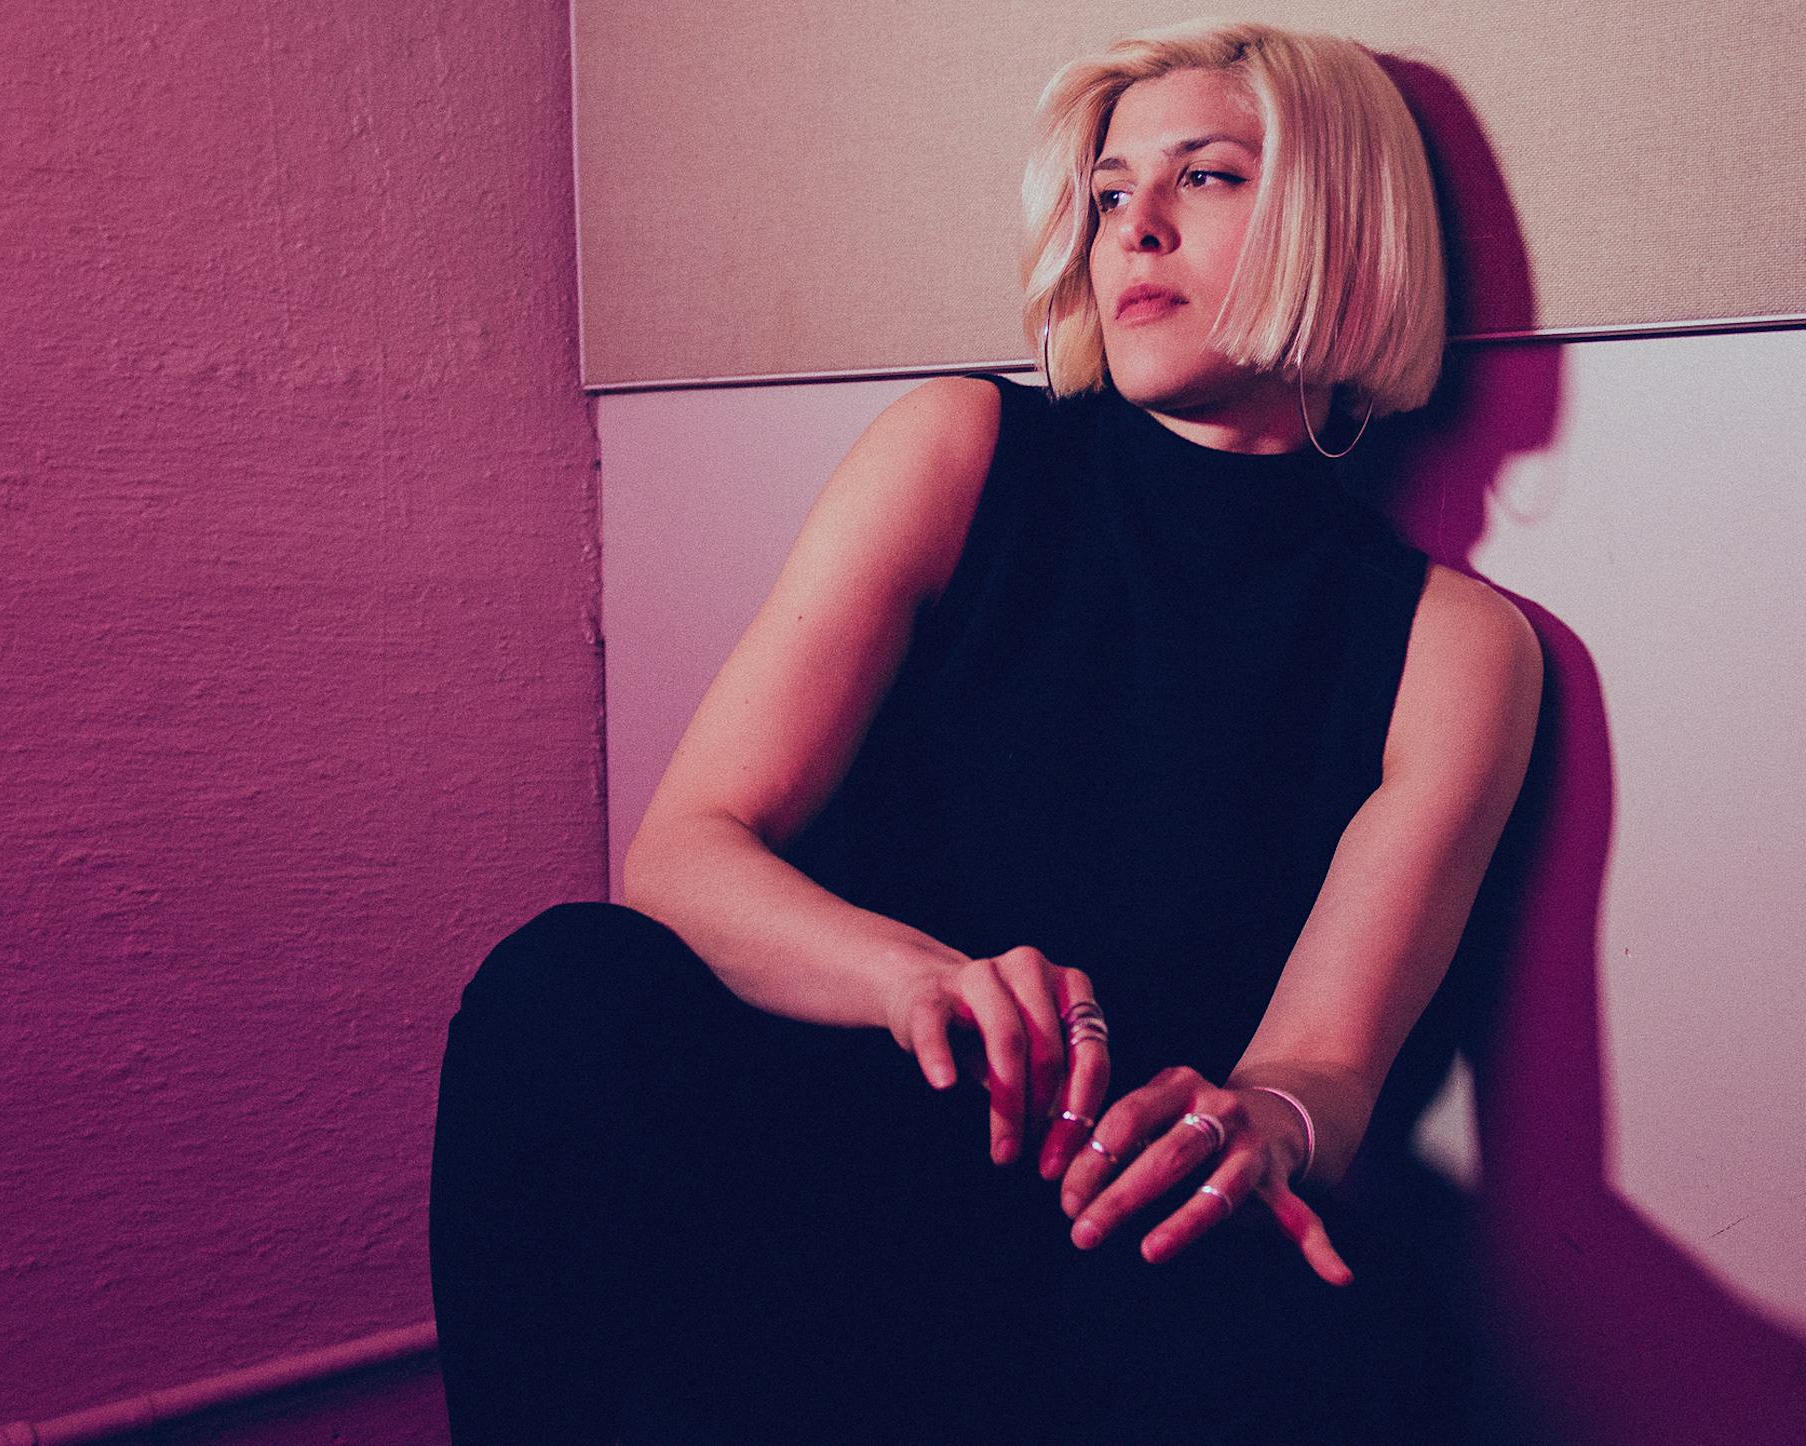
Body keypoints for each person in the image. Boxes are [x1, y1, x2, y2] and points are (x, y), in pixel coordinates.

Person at [430, 16, 1541, 1444]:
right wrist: (922, 979)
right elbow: (685, 856)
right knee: (563, 987)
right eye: (1108, 190)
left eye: (1204, 177)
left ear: (1347, 227)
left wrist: (1265, 1122)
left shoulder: (1457, 648)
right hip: (827, 1126)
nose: (1134, 224)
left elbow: (1323, 1057)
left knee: (1354, 1343)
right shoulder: (961, 450)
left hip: (1095, 1208)